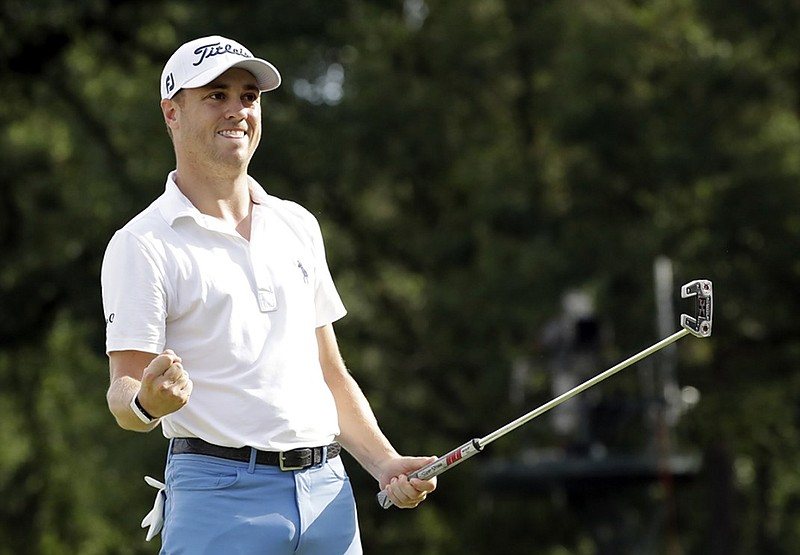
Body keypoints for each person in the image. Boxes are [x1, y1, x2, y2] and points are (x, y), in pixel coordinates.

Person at [101, 35, 436, 554]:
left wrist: (385, 462)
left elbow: (329, 373)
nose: (238, 109)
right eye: (216, 95)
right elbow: (123, 391)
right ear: (172, 112)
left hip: (328, 495)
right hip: (218, 497)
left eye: (249, 96)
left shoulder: (297, 223)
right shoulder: (142, 243)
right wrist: (147, 402)